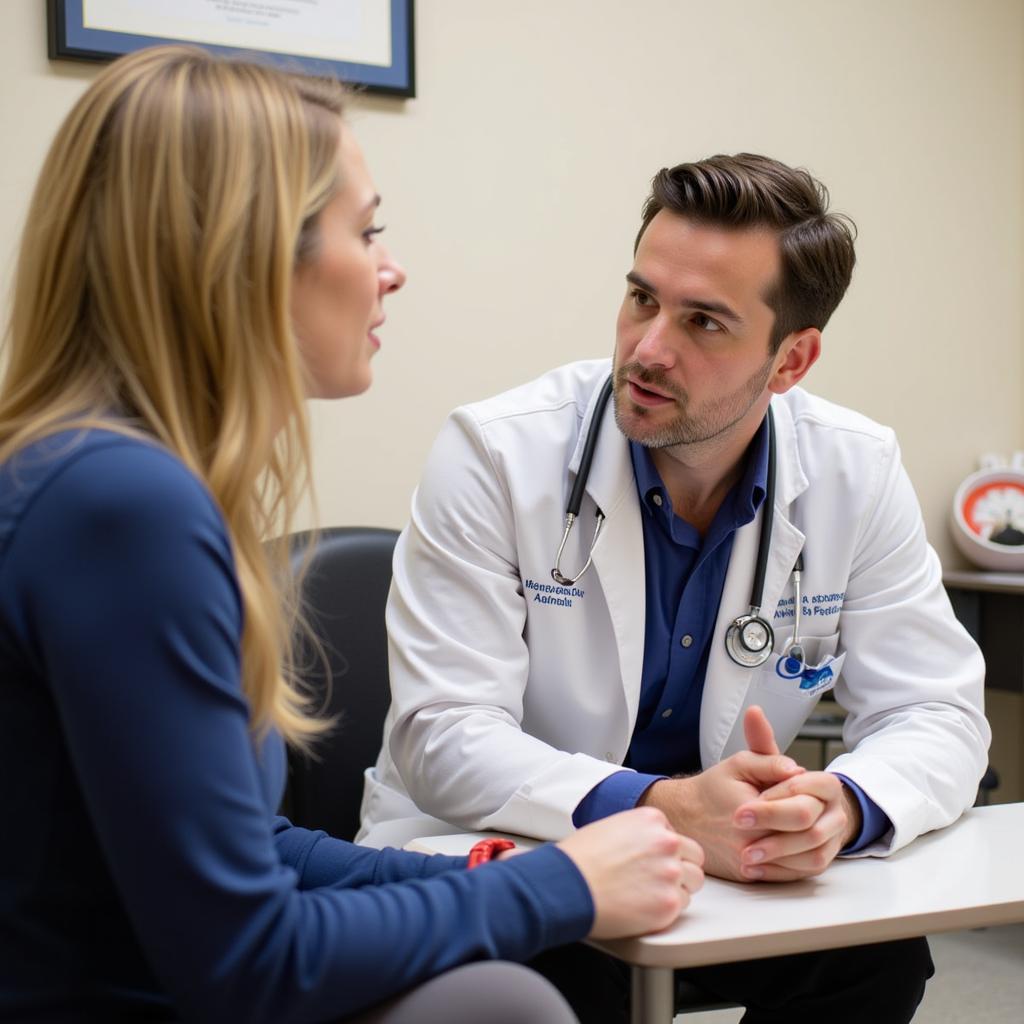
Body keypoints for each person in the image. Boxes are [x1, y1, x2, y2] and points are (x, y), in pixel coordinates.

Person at [0, 46, 707, 1024]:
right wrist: (563, 887)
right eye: (365, 231)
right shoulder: (124, 507)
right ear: (242, 253)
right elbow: (250, 956)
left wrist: (492, 868)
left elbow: (249, 847)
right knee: (500, 1003)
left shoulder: (92, 474)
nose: (392, 268)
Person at [358, 153, 991, 1021]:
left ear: (791, 360)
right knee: (556, 982)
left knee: (876, 958)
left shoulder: (856, 469)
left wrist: (840, 804)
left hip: (718, 874)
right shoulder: (498, 454)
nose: (648, 349)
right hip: (508, 852)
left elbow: (939, 712)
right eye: (642, 299)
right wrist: (660, 807)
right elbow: (443, 734)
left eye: (704, 323)